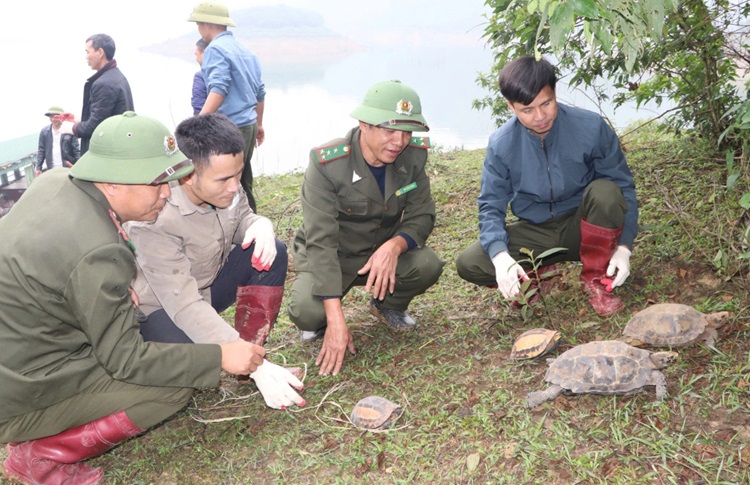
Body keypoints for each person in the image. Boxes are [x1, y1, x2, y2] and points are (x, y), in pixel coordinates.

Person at [0, 112, 303, 485]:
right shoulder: (98, 252)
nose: (167, 192)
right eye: (157, 184)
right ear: (111, 183)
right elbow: (125, 359)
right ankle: (40, 454)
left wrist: (94, 286)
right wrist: (221, 354)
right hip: (24, 387)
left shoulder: (59, 181)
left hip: (32, 346)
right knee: (171, 388)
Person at [455, 56, 638, 316]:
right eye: (527, 110)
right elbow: (490, 206)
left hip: (583, 226)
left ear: (554, 93)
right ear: (511, 107)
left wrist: (624, 247)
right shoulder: (501, 144)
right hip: (535, 233)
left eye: (546, 103)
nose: (540, 117)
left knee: (606, 192)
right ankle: (535, 274)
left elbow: (623, 186)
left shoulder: (591, 127)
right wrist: (500, 256)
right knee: (470, 263)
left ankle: (597, 279)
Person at [287, 80, 444, 376]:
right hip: (333, 255)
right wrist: (335, 319)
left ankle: (387, 304)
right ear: (364, 124)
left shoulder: (413, 157)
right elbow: (320, 242)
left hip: (378, 256)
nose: (399, 141)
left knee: (427, 264)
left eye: (407, 132)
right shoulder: (327, 164)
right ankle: (323, 318)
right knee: (308, 313)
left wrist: (394, 246)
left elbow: (422, 214)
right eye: (389, 130)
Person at [126, 113, 288, 348]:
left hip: (206, 289)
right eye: (224, 180)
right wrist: (231, 348)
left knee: (272, 252)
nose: (234, 187)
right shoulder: (155, 218)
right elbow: (183, 303)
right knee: (194, 358)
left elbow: (241, 217)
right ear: (188, 176)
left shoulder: (225, 185)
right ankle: (240, 355)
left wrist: (258, 224)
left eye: (238, 174)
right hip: (162, 306)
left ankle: (252, 349)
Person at [188, 2, 266, 212]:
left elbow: (218, 90)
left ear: (206, 23)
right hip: (248, 125)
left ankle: (231, 231)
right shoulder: (245, 51)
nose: (199, 29)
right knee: (243, 179)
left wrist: (199, 123)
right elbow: (260, 92)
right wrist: (259, 124)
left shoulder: (215, 49)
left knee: (224, 184)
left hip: (229, 128)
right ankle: (251, 223)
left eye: (198, 24)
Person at [60, 33, 134, 154]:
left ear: (100, 52)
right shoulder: (117, 76)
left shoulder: (103, 84)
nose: (86, 57)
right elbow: (106, 115)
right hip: (121, 145)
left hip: (109, 152)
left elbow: (96, 126)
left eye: (87, 52)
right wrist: (78, 120)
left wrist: (72, 128)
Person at [35, 106, 80, 175]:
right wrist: (38, 168)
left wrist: (79, 166)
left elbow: (76, 150)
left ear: (62, 117)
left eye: (55, 117)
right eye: (51, 117)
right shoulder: (44, 132)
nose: (53, 119)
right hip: (52, 169)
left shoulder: (69, 130)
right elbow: (41, 150)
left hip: (68, 168)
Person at [191, 38, 209, 115]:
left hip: (212, 124)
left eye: (197, 54)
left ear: (204, 53)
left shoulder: (201, 76)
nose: (196, 59)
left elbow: (198, 106)